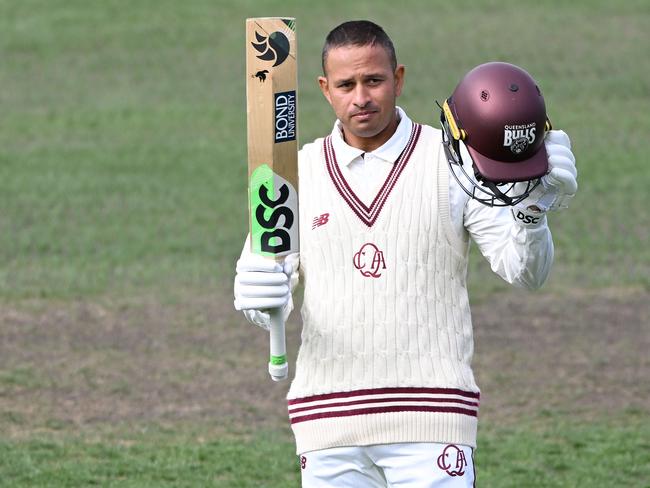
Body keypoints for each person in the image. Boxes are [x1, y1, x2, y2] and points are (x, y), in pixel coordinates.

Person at [234, 20, 577, 488]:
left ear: (398, 79)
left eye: (373, 80)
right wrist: (256, 295)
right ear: (324, 89)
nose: (361, 97)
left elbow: (525, 272)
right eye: (346, 84)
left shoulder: (455, 161)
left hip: (433, 418)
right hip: (328, 422)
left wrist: (533, 209)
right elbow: (264, 287)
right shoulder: (294, 174)